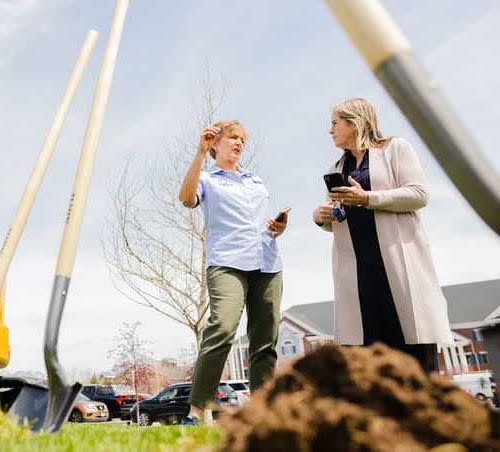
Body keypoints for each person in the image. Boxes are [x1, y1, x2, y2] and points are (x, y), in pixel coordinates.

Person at [312, 97, 453, 371]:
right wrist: (323, 218)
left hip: (398, 264)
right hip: (357, 271)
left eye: (334, 123)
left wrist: (367, 198)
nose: (330, 130)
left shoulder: (395, 149)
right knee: (367, 355)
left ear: (355, 122)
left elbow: (418, 194)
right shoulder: (335, 169)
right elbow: (340, 215)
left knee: (411, 347)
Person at [178, 120, 287, 425]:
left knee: (265, 341)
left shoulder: (255, 180)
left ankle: (263, 414)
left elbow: (260, 223)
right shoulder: (207, 177)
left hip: (267, 262)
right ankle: (196, 412)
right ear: (216, 144)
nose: (239, 143)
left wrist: (278, 227)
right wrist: (199, 152)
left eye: (242, 139)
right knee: (222, 328)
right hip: (227, 262)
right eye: (232, 138)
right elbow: (186, 199)